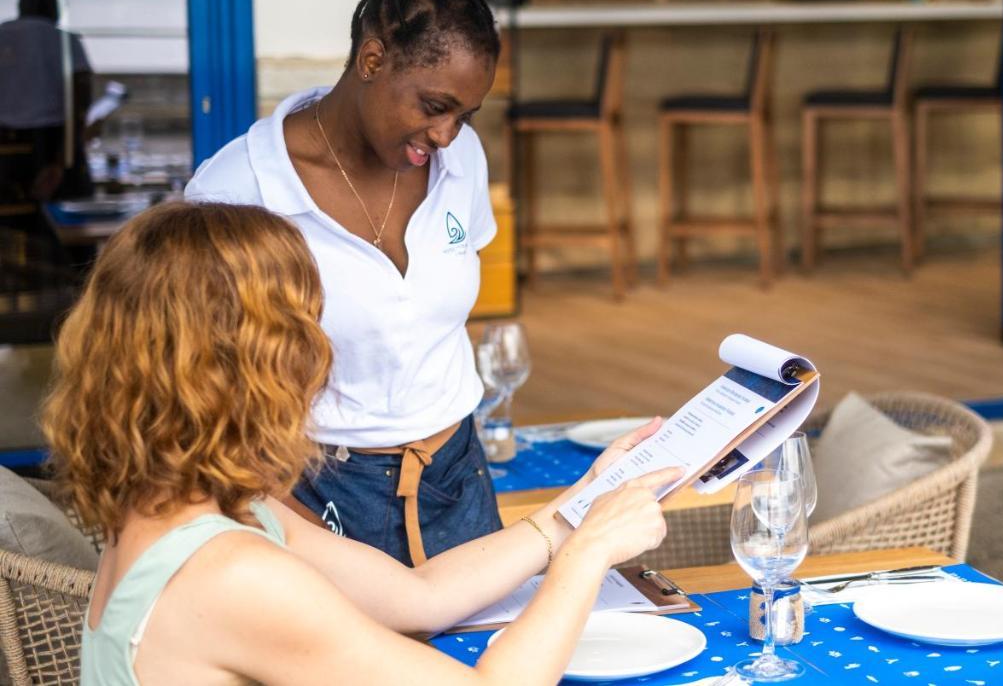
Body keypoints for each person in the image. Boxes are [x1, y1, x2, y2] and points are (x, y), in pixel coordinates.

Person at [41, 201, 678, 685]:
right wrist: (587, 557)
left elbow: (418, 598)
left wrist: (580, 506)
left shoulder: (179, 513)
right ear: (262, 367)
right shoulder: (232, 574)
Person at [185, 0, 520, 566]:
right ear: (371, 61)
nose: (448, 134)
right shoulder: (239, 189)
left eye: (465, 116)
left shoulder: (459, 160)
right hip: (315, 492)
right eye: (434, 105)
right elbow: (194, 380)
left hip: (458, 476)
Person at [0, 0, 93, 209]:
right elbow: (80, 100)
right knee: (66, 214)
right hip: (52, 141)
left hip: (5, 142)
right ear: (56, 6)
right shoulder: (65, 40)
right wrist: (63, 159)